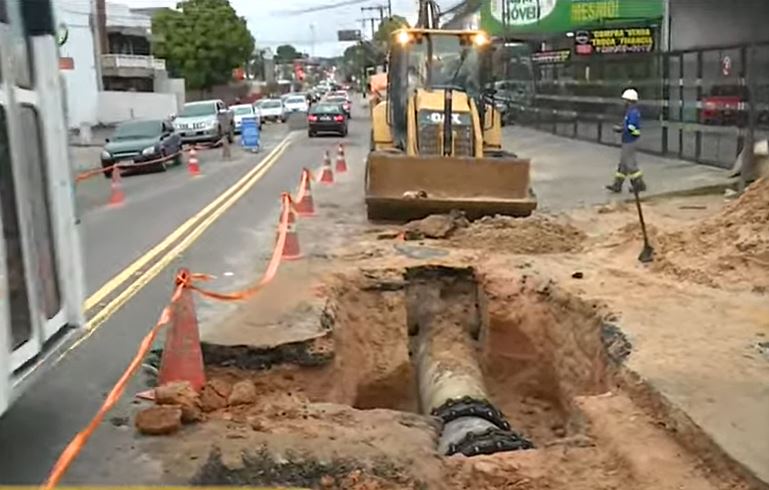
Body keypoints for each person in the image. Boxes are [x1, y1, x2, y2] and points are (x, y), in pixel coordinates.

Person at [606, 88, 647, 193]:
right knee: (623, 164)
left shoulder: (633, 113)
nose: (624, 102)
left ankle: (639, 184)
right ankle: (617, 185)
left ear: (629, 101)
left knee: (630, 164)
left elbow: (632, 127)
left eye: (625, 100)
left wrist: (621, 129)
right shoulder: (630, 112)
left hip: (630, 141)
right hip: (627, 140)